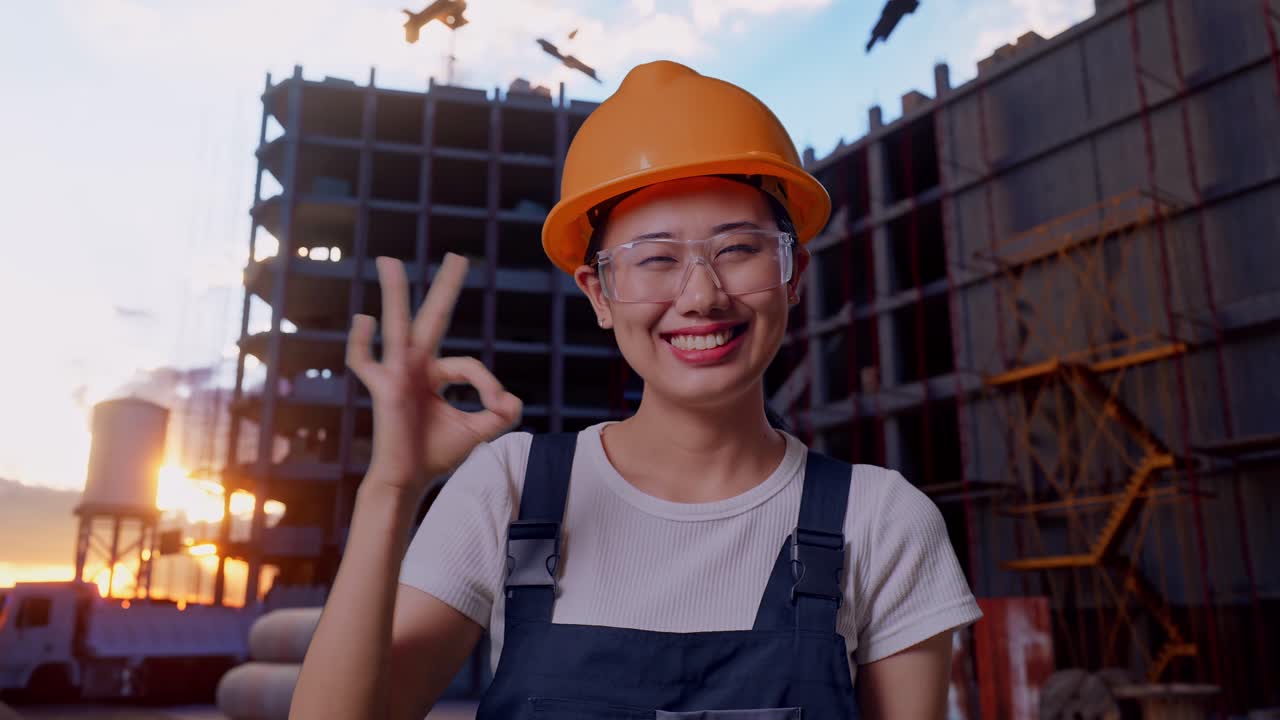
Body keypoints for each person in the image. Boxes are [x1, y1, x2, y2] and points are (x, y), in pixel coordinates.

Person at [290, 60, 981, 719]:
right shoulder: (509, 491)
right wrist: (391, 488)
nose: (702, 296)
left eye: (739, 250)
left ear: (793, 274)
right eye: (655, 260)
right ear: (599, 292)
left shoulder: (882, 522)